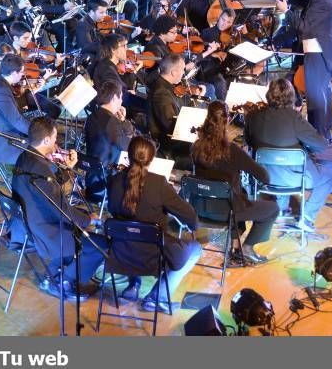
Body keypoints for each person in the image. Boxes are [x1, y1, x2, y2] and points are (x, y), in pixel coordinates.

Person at [12, 117, 105, 300]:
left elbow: (48, 190)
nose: (56, 143)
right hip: (45, 228)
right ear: (46, 140)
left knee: (81, 221)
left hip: (28, 221)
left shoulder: (25, 157)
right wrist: (89, 219)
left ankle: (53, 275)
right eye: (55, 138)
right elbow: (60, 210)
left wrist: (67, 169)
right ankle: (64, 281)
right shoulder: (39, 167)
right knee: (98, 246)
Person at [107, 136, 201, 312]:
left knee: (131, 232)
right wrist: (193, 225)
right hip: (153, 257)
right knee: (196, 249)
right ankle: (157, 297)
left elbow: (113, 211)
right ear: (151, 159)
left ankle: (133, 285)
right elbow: (190, 216)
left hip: (120, 253)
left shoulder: (114, 181)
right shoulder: (159, 183)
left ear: (128, 155)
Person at [191, 101, 279, 264]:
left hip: (201, 207)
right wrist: (245, 160)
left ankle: (236, 247)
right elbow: (265, 177)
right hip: (228, 211)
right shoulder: (232, 151)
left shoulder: (196, 147)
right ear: (228, 119)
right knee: (272, 208)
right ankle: (246, 248)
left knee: (236, 192)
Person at [244, 78, 332, 231]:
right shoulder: (295, 118)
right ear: (291, 97)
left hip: (263, 176)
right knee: (329, 177)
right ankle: (307, 217)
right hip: (291, 178)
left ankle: (280, 210)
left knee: (278, 161)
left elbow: (249, 142)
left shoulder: (253, 117)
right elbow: (321, 145)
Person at [275, 0, 332, 140]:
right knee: (318, 98)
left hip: (319, 55)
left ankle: (319, 138)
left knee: (317, 100)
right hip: (317, 52)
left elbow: (304, 27)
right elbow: (308, 4)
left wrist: (286, 11)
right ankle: (321, 136)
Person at [147, 54, 206, 169]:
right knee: (207, 154)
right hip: (170, 146)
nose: (184, 73)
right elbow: (173, 127)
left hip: (175, 138)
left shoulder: (166, 86)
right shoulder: (161, 93)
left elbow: (181, 112)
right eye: (182, 70)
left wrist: (196, 99)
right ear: (173, 72)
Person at [84, 80, 136, 200]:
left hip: (92, 174)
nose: (121, 101)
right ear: (114, 98)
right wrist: (124, 122)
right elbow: (129, 146)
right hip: (107, 180)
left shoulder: (92, 117)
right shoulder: (111, 122)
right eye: (120, 98)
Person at [0, 54, 32, 165]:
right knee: (40, 150)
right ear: (14, 73)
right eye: (22, 72)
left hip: (3, 129)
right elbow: (16, 121)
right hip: (0, 139)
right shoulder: (0, 91)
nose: (23, 75)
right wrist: (37, 133)